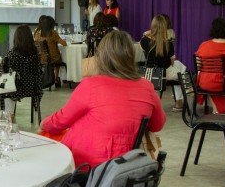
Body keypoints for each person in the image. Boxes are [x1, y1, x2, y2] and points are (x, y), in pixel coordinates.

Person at [41, 30, 166, 167]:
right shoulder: (147, 87)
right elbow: (157, 124)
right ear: (131, 56)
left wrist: (44, 124)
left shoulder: (91, 85)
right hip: (125, 165)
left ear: (102, 56)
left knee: (46, 139)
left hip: (86, 166)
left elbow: (62, 120)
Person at [194, 17, 225, 114]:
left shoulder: (204, 45)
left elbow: (198, 66)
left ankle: (216, 108)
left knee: (207, 80)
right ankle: (224, 107)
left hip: (207, 83)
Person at [140, 15, 186, 111]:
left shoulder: (144, 41)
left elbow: (143, 47)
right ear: (165, 27)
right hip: (165, 74)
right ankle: (179, 102)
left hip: (149, 74)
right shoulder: (169, 44)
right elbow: (172, 62)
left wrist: (146, 33)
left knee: (179, 67)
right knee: (181, 69)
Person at [0, 25, 42, 116]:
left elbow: (3, 71)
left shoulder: (12, 54)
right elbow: (38, 71)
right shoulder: (35, 54)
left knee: (5, 86)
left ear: (16, 38)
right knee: (9, 85)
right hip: (32, 88)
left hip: (16, 88)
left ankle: (9, 116)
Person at [34, 15, 66, 88]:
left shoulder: (37, 33)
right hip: (53, 58)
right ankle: (56, 79)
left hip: (41, 58)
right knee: (58, 57)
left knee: (53, 56)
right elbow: (64, 43)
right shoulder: (52, 33)